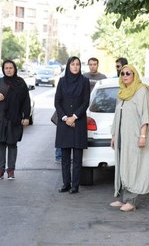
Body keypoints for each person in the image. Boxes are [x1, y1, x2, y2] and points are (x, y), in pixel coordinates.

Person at [110, 65, 149, 212]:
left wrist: (143, 135)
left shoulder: (141, 90)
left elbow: (145, 114)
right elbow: (117, 115)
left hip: (135, 136)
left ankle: (131, 201)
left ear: (134, 75)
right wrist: (113, 135)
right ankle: (123, 198)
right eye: (122, 73)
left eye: (128, 73)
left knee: (134, 166)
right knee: (123, 165)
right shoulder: (121, 93)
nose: (124, 75)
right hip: (122, 136)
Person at [0, 59, 31, 180]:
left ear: (15, 69)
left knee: (12, 144)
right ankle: (0, 170)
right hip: (1, 118)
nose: (9, 70)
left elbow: (26, 101)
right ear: (3, 69)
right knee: (1, 144)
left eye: (11, 68)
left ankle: (11, 170)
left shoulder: (21, 83)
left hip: (15, 118)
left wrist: (26, 116)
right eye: (6, 68)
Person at [55, 56, 90, 194]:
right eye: (72, 64)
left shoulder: (84, 81)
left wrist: (74, 117)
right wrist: (65, 118)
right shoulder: (62, 81)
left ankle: (75, 185)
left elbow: (86, 102)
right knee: (64, 157)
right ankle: (66, 184)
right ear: (68, 66)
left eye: (77, 64)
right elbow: (57, 101)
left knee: (77, 157)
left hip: (78, 122)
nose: (75, 67)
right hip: (64, 123)